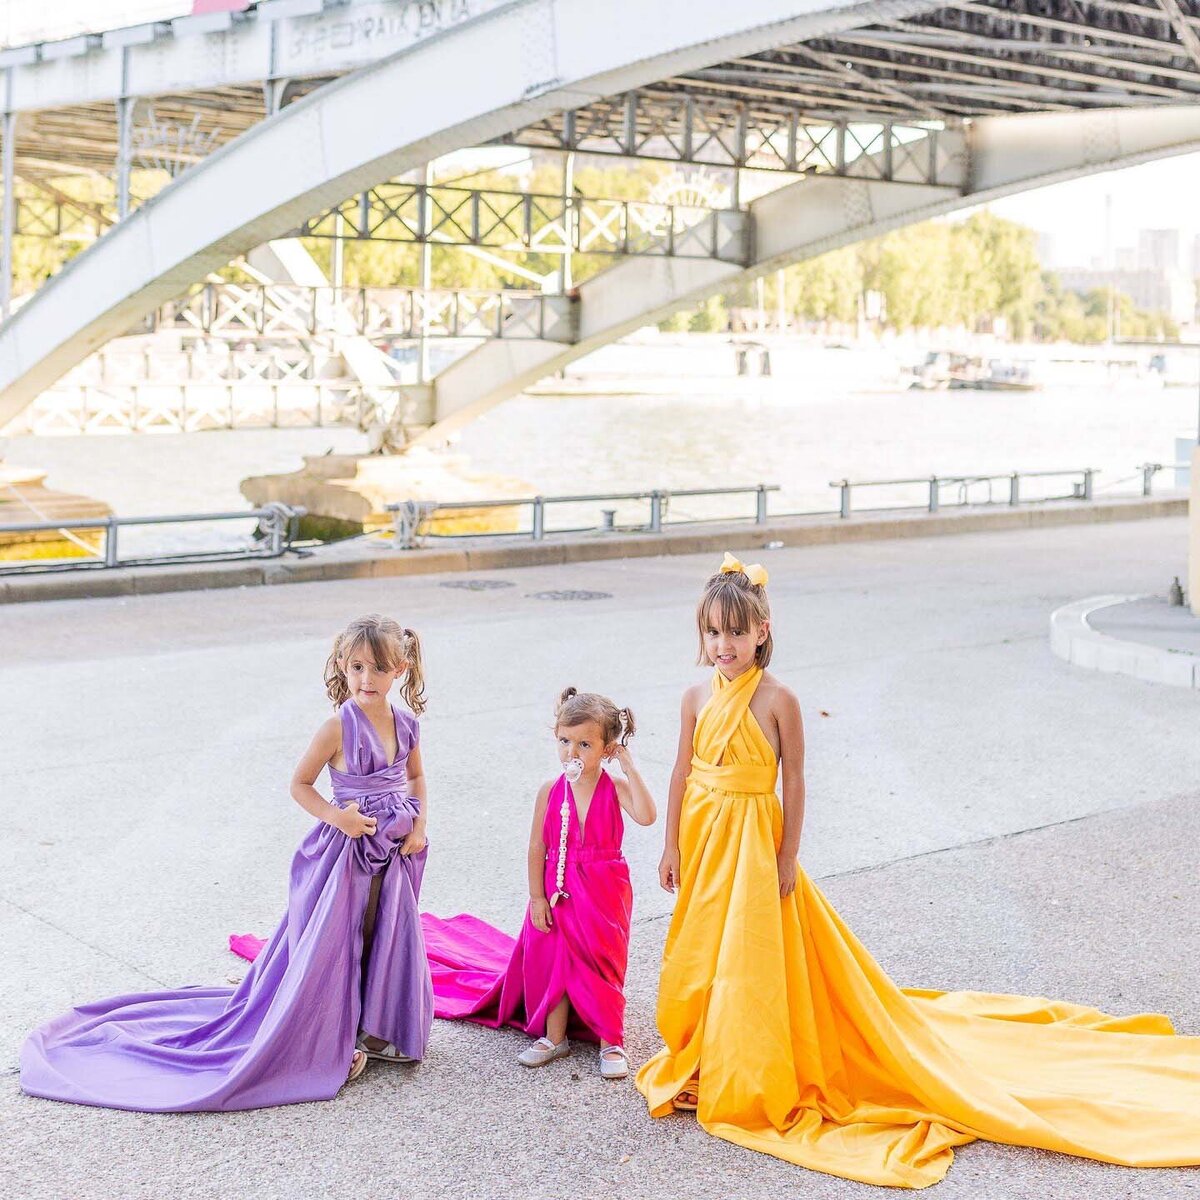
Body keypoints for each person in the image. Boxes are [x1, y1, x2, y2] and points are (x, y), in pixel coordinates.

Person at [636, 552, 1200, 1189]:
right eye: (712, 633)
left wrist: (787, 855)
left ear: (762, 631)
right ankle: (708, 1050)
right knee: (702, 946)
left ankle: (751, 1061)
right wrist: (671, 848)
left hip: (754, 843)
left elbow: (794, 782)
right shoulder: (691, 697)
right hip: (705, 838)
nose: (723, 646)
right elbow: (681, 772)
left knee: (753, 952)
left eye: (735, 633)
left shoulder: (778, 700)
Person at [22, 614, 433, 1111]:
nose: (367, 680)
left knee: (383, 932)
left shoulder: (406, 723)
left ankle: (376, 1025)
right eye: (356, 668)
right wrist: (336, 817)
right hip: (344, 853)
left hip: (393, 848)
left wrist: (420, 823)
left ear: (402, 668)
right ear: (343, 667)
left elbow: (415, 778)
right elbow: (300, 784)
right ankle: (333, 1036)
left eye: (379, 669)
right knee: (337, 942)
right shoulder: (336, 727)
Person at [422, 688, 655, 1079]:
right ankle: (554, 1036)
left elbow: (647, 815)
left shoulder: (613, 788)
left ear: (606, 748)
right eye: (565, 741)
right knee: (557, 960)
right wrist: (536, 897)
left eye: (584, 744)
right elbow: (537, 845)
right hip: (558, 886)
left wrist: (628, 766)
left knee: (603, 960)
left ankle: (610, 1040)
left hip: (603, 888)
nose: (572, 753)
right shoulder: (551, 790)